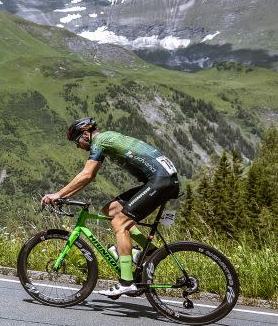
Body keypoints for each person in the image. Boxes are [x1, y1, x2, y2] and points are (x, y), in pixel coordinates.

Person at [42, 117, 180, 297]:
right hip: (162, 180)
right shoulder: (107, 138)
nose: (78, 146)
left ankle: (126, 282)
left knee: (120, 224)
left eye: (77, 141)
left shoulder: (100, 141)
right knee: (111, 210)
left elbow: (87, 175)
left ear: (86, 134)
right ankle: (150, 252)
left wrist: (59, 194)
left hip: (161, 182)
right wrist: (64, 195)